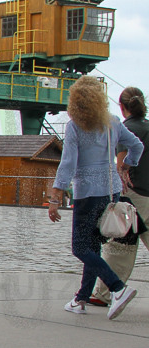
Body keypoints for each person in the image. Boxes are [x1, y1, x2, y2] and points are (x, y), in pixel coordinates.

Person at [48, 75, 144, 320]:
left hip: (87, 192)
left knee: (80, 247)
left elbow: (68, 163)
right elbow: (137, 146)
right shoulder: (112, 122)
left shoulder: (75, 126)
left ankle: (117, 288)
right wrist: (126, 166)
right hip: (110, 190)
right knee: (92, 246)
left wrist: (56, 195)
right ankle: (81, 298)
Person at [90, 87, 149, 305]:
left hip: (134, 196)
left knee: (119, 246)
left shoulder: (127, 129)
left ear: (122, 107)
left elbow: (121, 164)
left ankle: (104, 294)